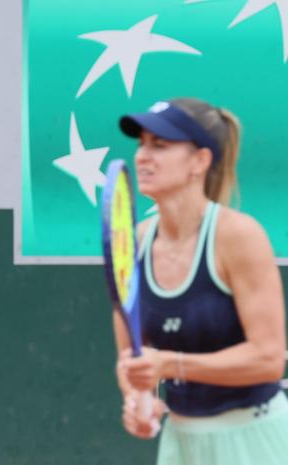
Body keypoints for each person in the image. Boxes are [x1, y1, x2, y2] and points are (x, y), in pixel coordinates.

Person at [113, 98, 288, 465]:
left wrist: (172, 364)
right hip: (180, 444)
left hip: (255, 442)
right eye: (142, 144)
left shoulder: (239, 237)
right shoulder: (132, 243)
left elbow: (269, 359)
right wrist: (138, 401)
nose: (143, 156)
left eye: (159, 145)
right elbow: (132, 357)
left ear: (200, 162)